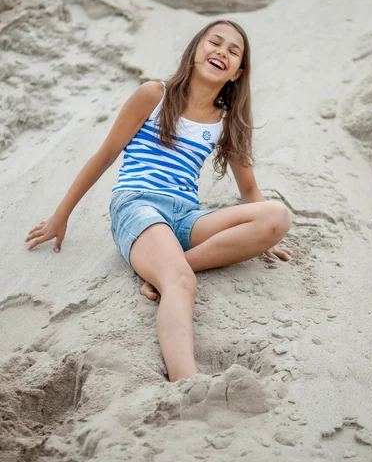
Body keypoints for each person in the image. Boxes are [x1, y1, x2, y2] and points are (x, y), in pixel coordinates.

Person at [26, 20, 292, 382]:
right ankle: (187, 381)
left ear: (237, 73)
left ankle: (172, 266)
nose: (222, 52)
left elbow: (249, 193)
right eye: (215, 42)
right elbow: (105, 155)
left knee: (277, 216)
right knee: (181, 283)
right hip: (137, 205)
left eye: (233, 51)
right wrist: (61, 216)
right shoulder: (155, 94)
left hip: (186, 217)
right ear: (197, 48)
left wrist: (266, 239)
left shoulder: (227, 121)